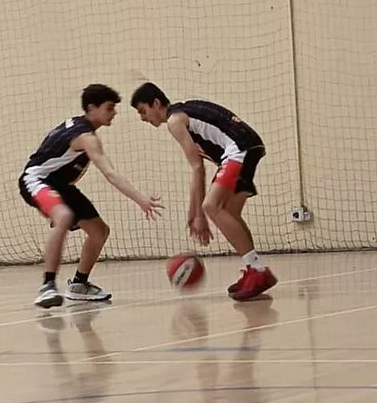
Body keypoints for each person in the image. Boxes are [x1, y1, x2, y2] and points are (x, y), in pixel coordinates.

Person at [20, 84, 163, 308]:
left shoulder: (77, 126)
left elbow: (55, 160)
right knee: (64, 216)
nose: (114, 113)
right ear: (91, 108)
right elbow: (110, 173)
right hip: (36, 181)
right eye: (109, 108)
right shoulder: (85, 136)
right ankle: (47, 286)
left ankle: (79, 284)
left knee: (99, 231)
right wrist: (140, 199)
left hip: (60, 186)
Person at [130, 82, 276, 301]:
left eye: (143, 111)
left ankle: (257, 271)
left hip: (239, 148)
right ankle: (252, 267)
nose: (142, 117)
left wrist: (197, 214)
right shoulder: (186, 113)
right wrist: (193, 213)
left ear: (156, 103)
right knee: (229, 212)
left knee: (211, 206)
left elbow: (197, 168)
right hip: (248, 145)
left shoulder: (174, 120)